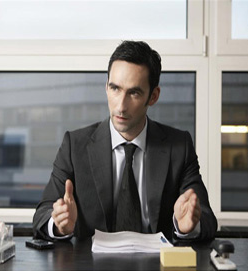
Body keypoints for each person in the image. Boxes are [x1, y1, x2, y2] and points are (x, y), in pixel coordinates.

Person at [33, 40, 217, 242]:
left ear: (153, 96)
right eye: (115, 89)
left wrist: (186, 227)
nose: (121, 106)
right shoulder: (75, 145)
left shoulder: (178, 146)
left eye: (134, 93)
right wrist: (59, 225)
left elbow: (207, 219)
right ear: (106, 88)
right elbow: (42, 215)